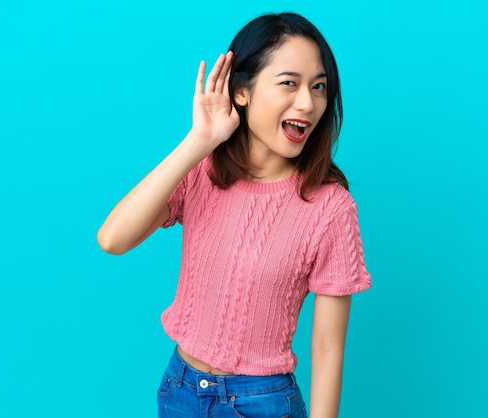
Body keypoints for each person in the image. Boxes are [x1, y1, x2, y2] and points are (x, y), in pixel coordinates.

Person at [97, 12, 371, 418]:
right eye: (289, 83)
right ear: (241, 91)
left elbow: (328, 347)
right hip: (180, 389)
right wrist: (198, 141)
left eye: (318, 87)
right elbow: (113, 239)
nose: (307, 103)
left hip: (262, 402)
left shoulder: (330, 209)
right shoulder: (202, 172)